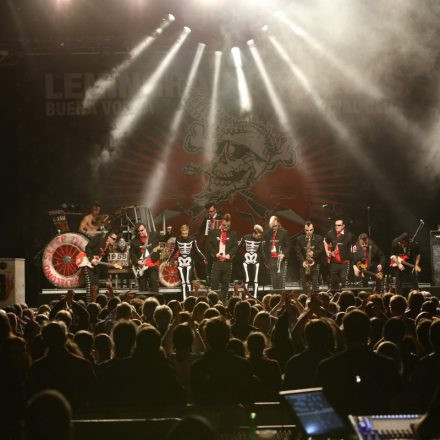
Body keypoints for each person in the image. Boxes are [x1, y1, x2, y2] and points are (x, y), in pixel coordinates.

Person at [315, 310, 402, 417]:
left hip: (342, 430)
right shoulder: (387, 365)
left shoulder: (327, 366)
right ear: (369, 332)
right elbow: (395, 406)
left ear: (344, 333)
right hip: (376, 429)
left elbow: (320, 407)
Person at [167, 225, 207, 300]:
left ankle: (190, 299)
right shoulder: (178, 239)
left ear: (188, 232)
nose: (184, 235)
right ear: (181, 232)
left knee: (188, 281)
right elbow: (174, 250)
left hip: (189, 261)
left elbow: (197, 250)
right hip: (181, 261)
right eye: (183, 233)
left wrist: (204, 258)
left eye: (186, 233)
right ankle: (184, 299)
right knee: (183, 282)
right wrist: (169, 260)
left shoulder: (192, 239)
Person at [206, 214, 238, 303]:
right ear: (221, 223)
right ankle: (213, 302)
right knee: (214, 283)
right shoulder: (214, 232)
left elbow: (235, 247)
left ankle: (223, 302)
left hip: (227, 263)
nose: (226, 227)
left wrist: (229, 255)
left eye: (228, 226)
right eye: (224, 225)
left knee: (225, 284)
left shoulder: (233, 233)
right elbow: (209, 244)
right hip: (217, 262)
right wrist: (215, 254)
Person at [84, 230, 118, 302]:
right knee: (91, 285)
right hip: (88, 264)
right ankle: (89, 303)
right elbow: (88, 247)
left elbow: (104, 264)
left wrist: (107, 277)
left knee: (96, 286)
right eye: (113, 239)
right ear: (108, 237)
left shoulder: (107, 250)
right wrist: (91, 258)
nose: (114, 241)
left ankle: (94, 303)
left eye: (115, 239)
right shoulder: (99, 239)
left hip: (96, 268)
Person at [324, 219, 354, 291]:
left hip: (344, 263)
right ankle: (334, 297)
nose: (337, 227)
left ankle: (344, 298)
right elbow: (325, 241)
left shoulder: (349, 235)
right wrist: (327, 252)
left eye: (339, 225)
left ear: (343, 226)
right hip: (334, 263)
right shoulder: (331, 234)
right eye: (336, 225)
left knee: (344, 281)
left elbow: (352, 247)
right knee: (333, 282)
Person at [130, 223, 160, 293]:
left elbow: (164, 238)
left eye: (142, 230)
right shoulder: (134, 241)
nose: (140, 232)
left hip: (153, 264)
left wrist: (169, 233)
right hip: (141, 267)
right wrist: (138, 261)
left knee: (154, 286)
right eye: (138, 231)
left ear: (145, 228)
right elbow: (132, 254)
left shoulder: (154, 235)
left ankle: (155, 302)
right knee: (142, 288)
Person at [197, 202, 223, 286]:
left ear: (215, 210)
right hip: (208, 242)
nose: (210, 213)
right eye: (208, 212)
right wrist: (194, 237)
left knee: (217, 261)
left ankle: (218, 280)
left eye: (211, 211)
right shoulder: (206, 218)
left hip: (218, 244)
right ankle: (209, 279)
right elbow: (201, 230)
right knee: (208, 261)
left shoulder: (221, 218)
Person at [295, 221, 324, 294]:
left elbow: (321, 249)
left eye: (311, 230)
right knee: (304, 283)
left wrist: (313, 253)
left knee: (315, 282)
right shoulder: (299, 239)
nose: (309, 232)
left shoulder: (319, 238)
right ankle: (304, 298)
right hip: (304, 264)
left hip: (315, 264)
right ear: (304, 230)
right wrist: (303, 262)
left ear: (313, 229)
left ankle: (316, 298)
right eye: (307, 230)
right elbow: (298, 252)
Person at [262, 216, 290, 290]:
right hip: (271, 260)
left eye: (275, 226)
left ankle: (282, 298)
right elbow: (265, 247)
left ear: (278, 223)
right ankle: (275, 297)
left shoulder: (284, 233)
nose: (274, 228)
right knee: (274, 280)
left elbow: (288, 246)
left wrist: (283, 254)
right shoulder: (267, 233)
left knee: (281, 280)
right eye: (272, 226)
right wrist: (266, 261)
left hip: (281, 260)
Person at [238, 224, 264, 297]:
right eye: (259, 235)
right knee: (247, 279)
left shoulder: (260, 240)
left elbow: (261, 251)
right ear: (255, 232)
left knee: (256, 280)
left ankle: (255, 296)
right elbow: (239, 247)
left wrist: (265, 262)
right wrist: (243, 255)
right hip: (246, 259)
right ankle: (246, 296)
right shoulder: (246, 237)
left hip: (255, 260)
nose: (260, 236)